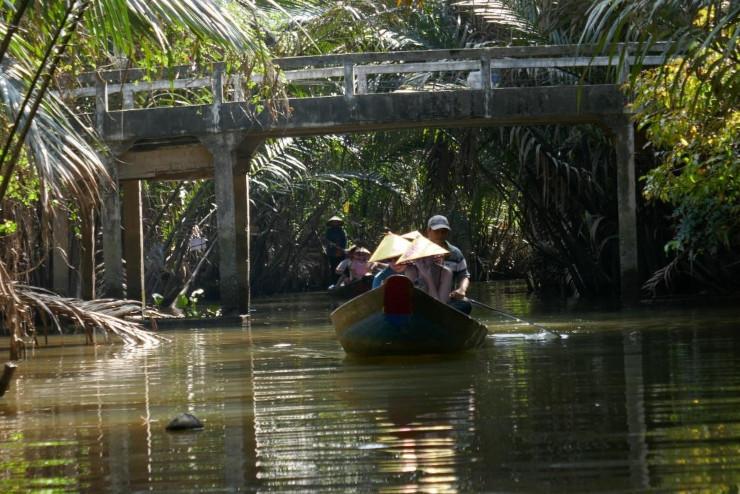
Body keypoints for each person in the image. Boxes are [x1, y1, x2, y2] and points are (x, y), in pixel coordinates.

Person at [426, 215, 472, 314]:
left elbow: (464, 275)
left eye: (444, 231)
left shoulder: (455, 253)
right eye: (436, 231)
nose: (440, 234)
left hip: (445, 298)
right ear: (429, 231)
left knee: (465, 305)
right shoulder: (418, 250)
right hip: (423, 297)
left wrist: (461, 290)